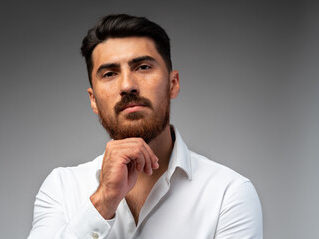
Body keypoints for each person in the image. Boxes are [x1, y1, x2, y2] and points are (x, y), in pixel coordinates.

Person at [28, 14, 263, 239]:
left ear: (173, 84)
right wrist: (103, 200)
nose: (128, 85)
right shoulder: (61, 188)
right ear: (93, 100)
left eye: (143, 67)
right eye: (110, 73)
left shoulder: (228, 193)